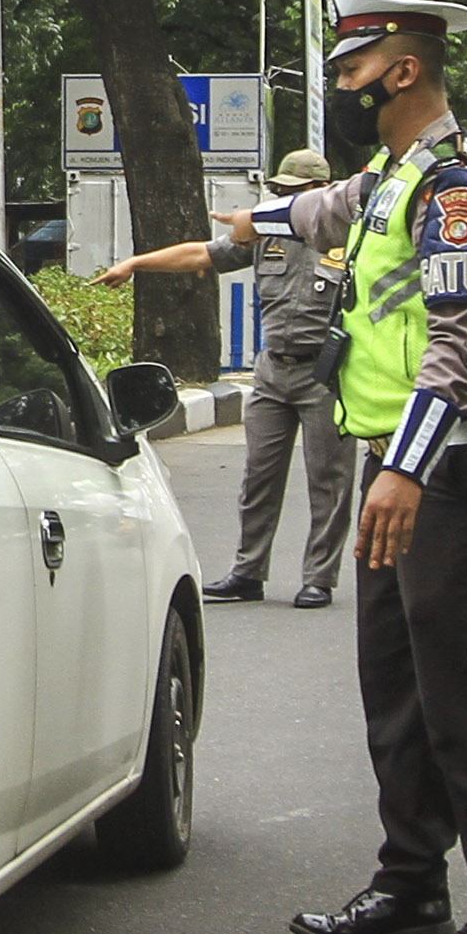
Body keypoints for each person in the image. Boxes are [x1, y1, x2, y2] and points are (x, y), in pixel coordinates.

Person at [190, 0, 467, 934]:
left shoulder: (455, 191)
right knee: (395, 687)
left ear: (401, 70)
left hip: (457, 468)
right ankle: (411, 881)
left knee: (465, 696)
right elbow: (303, 213)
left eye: (350, 69)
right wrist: (208, 240)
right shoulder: (394, 179)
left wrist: (397, 470)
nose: (340, 85)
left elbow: (457, 345)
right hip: (406, 465)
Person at [101, 144, 354, 609]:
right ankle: (248, 572)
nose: (284, 198)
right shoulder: (264, 236)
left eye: (296, 192)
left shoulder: (351, 240)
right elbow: (201, 254)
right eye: (280, 190)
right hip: (273, 370)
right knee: (259, 477)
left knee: (329, 480)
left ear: (323, 193)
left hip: (327, 374)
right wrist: (137, 264)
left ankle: (319, 577)